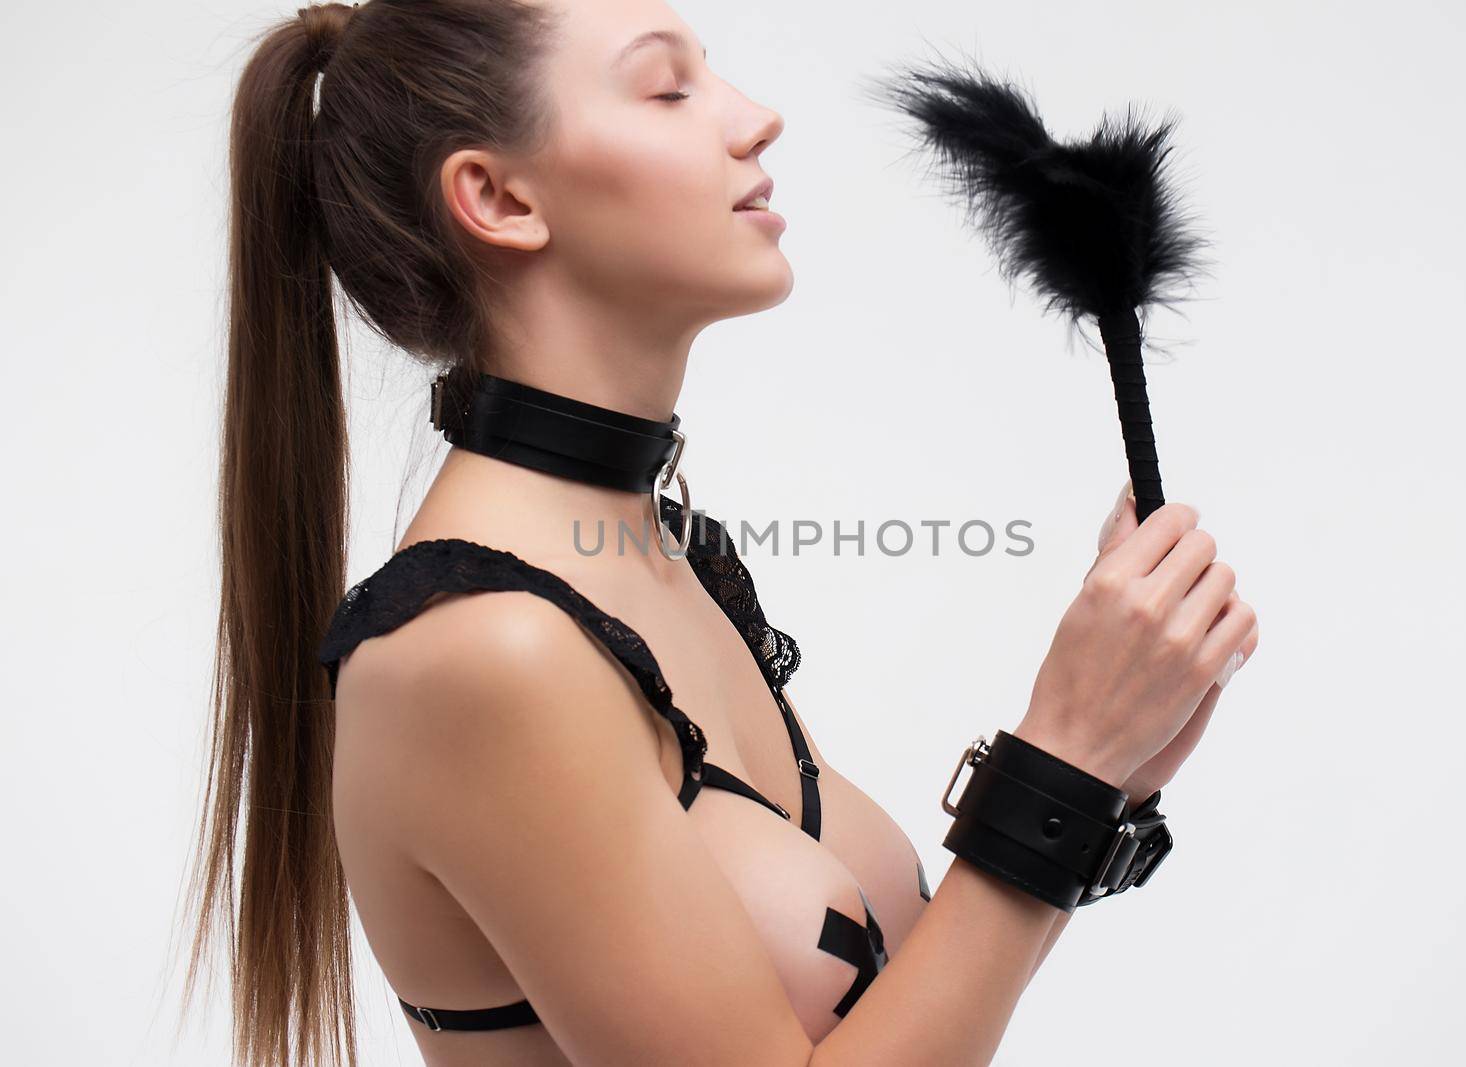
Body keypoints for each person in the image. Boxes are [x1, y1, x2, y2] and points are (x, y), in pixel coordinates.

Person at [180, 0, 1259, 1064]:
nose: (752, 118)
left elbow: (905, 1019)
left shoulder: (669, 561)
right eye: (667, 87)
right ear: (498, 197)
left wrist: (1107, 774)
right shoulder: (482, 650)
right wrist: (1060, 757)